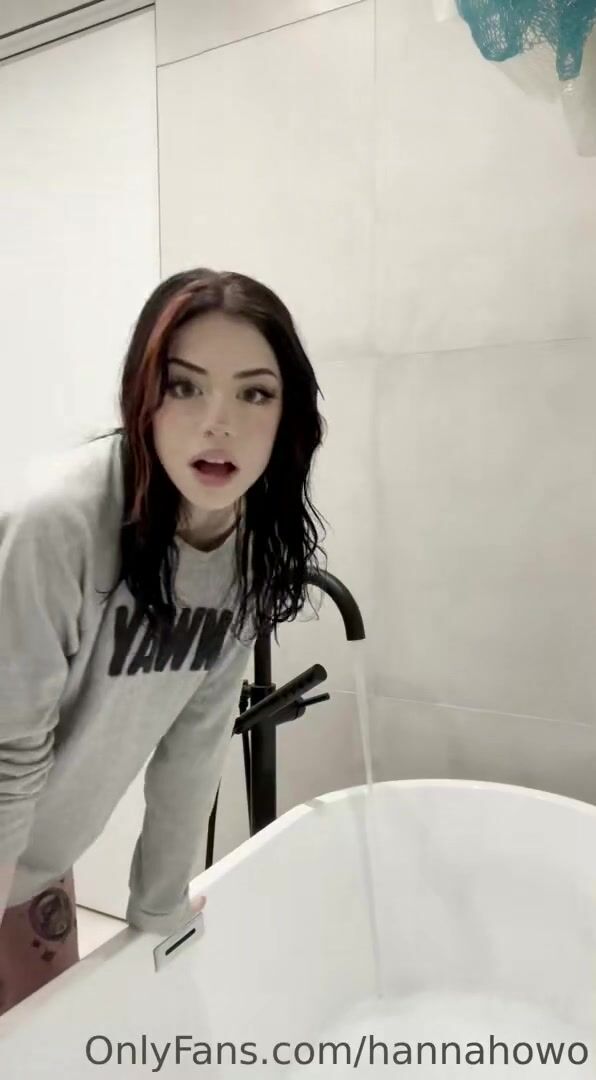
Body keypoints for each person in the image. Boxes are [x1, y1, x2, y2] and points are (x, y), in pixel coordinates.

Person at [0, 267, 327, 1016]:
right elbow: (8, 751)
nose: (219, 423)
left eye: (254, 393)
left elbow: (196, 741)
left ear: (289, 416)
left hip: (37, 862)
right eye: (185, 386)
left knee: (54, 1044)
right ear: (143, 396)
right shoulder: (59, 522)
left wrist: (160, 909)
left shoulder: (251, 554)